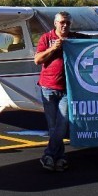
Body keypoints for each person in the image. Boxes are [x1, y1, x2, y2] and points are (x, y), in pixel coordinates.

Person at [34, 11, 79, 172]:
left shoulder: (75, 38)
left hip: (67, 89)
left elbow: (96, 41)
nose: (65, 25)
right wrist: (53, 49)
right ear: (55, 23)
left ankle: (49, 155)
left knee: (62, 125)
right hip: (48, 88)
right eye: (62, 22)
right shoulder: (46, 38)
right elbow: (38, 59)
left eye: (67, 22)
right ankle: (59, 157)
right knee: (53, 126)